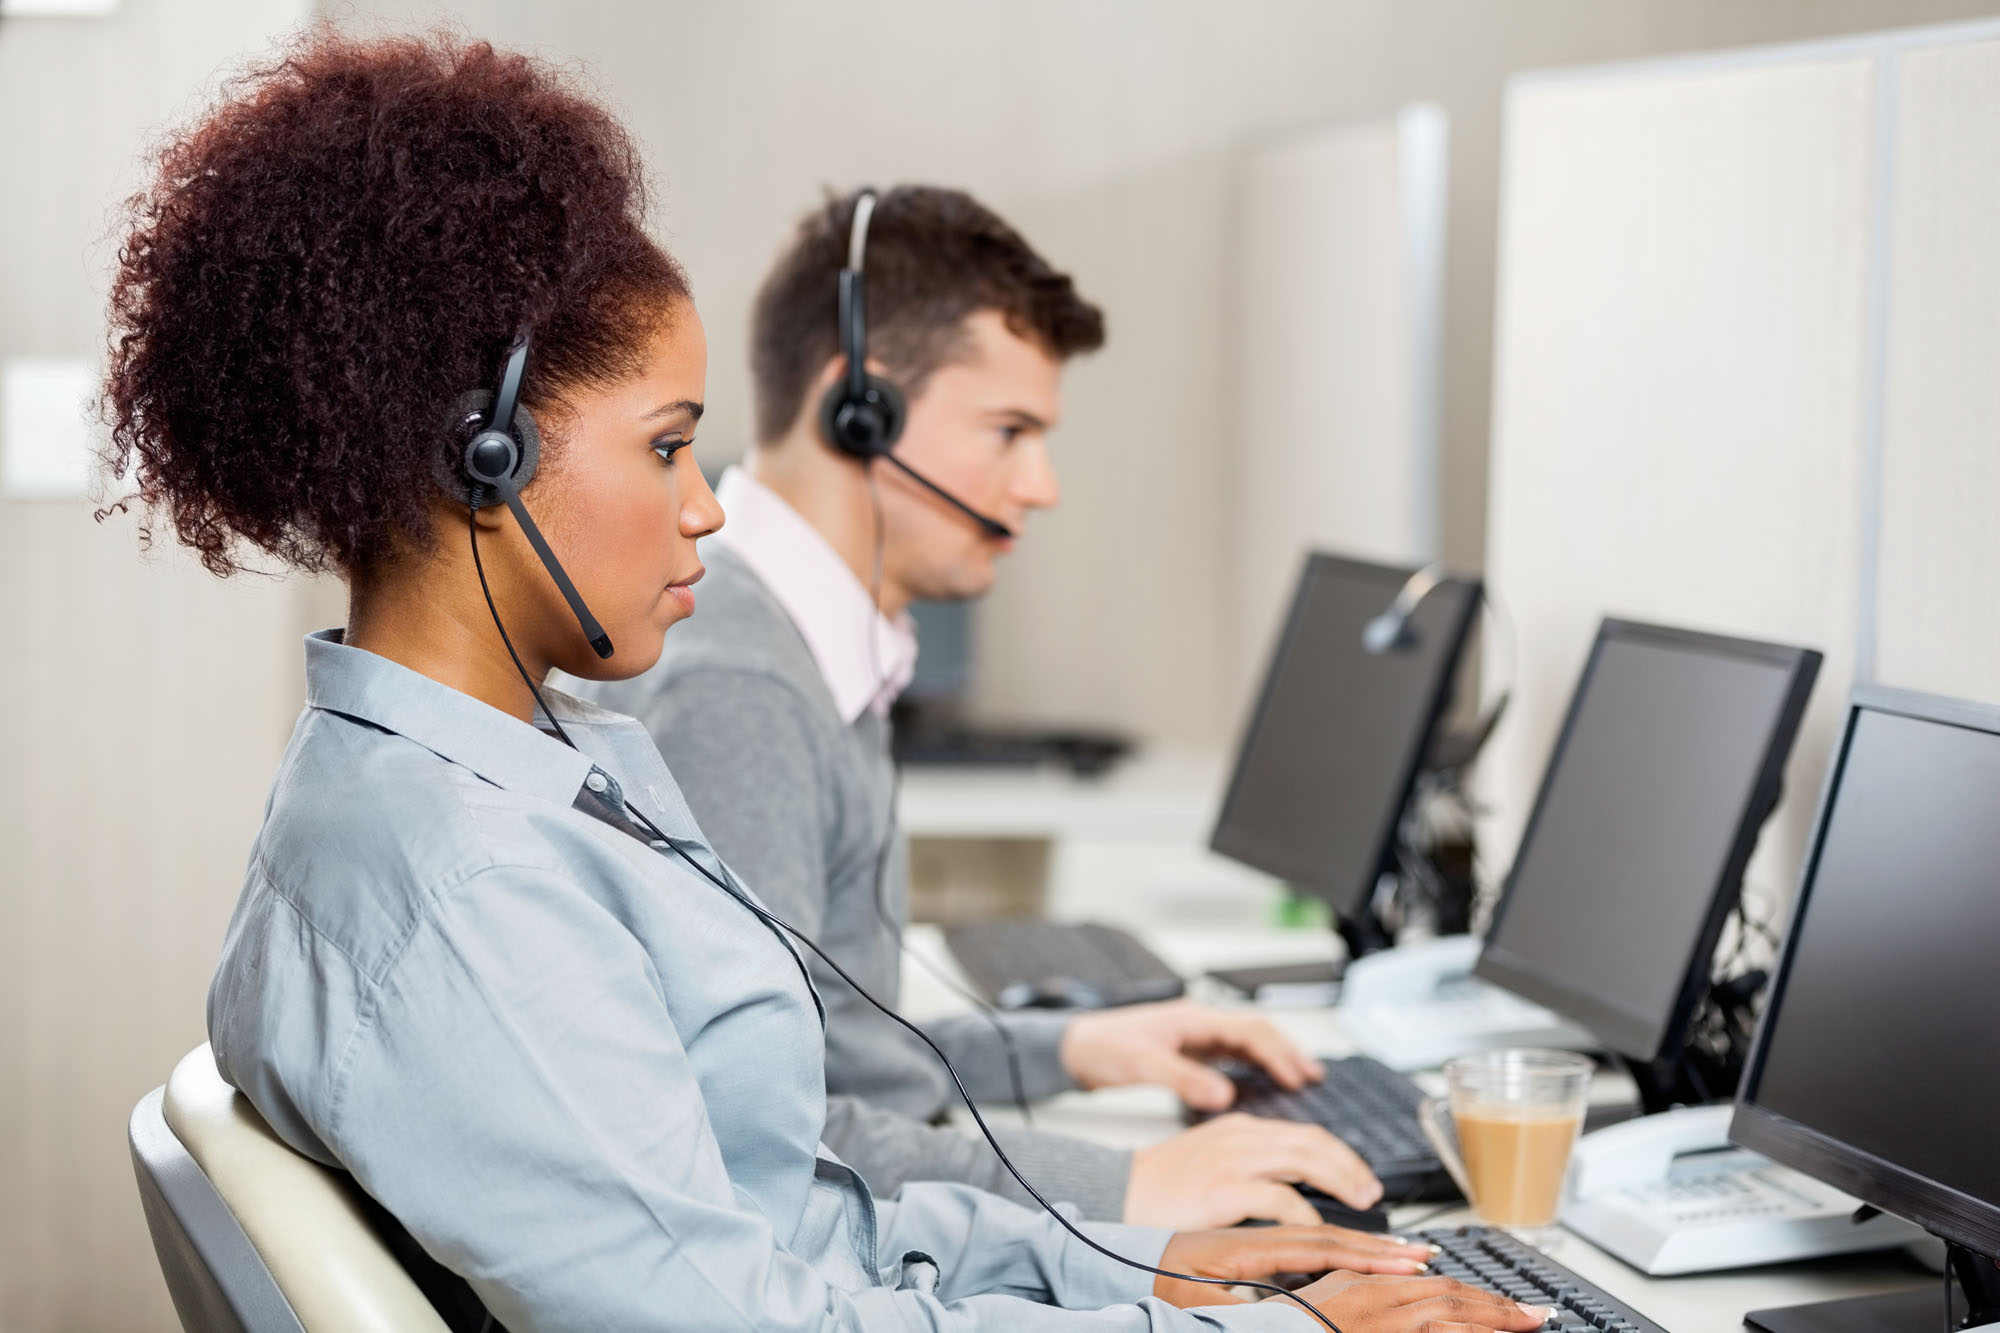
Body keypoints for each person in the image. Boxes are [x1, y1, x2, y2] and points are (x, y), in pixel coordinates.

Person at [99, 29, 1548, 1333]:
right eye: (668, 446)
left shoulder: (518, 772)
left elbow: (773, 1203)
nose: (709, 507)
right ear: (490, 459)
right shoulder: (465, 885)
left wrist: (1130, 1266)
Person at [577, 185, 1385, 1230]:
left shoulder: (806, 646)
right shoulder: (742, 691)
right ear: (856, 410)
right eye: (1008, 430)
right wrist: (1129, 1187)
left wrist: (1066, 1050)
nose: (1040, 484)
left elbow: (839, 1059)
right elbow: (764, 1145)